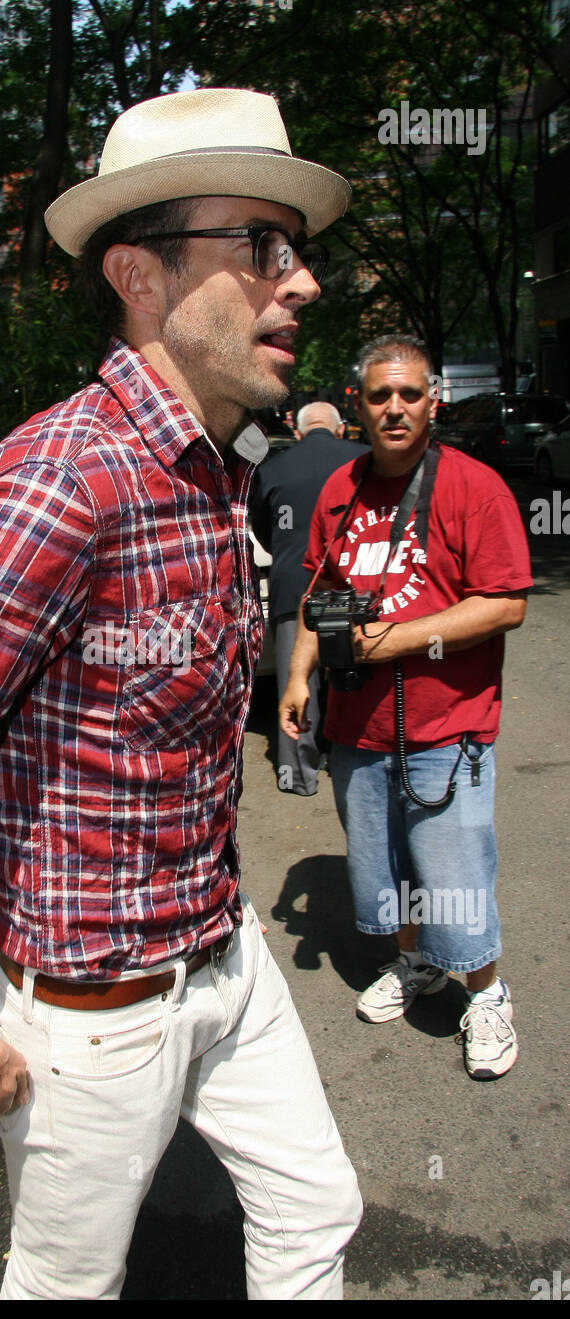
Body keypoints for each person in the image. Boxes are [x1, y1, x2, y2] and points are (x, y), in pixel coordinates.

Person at [0, 87, 362, 1299]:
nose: (299, 282)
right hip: (93, 1018)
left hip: (222, 958)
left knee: (318, 1209)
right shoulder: (64, 485)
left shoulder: (213, 470)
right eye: (259, 247)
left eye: (297, 250)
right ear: (138, 273)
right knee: (64, 1288)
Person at [281, 334, 531, 1080]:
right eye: (380, 395)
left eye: (410, 394)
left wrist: (393, 639)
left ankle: (486, 994)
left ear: (434, 401)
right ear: (357, 403)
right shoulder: (340, 490)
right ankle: (417, 963)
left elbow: (506, 604)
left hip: (444, 725)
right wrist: (299, 677)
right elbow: (317, 597)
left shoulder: (474, 487)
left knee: (450, 871)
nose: (395, 408)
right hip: (359, 727)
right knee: (385, 866)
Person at [251, 401, 368, 794]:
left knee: (296, 682)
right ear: (339, 430)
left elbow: (263, 527)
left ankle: (298, 774)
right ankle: (355, 762)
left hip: (293, 585)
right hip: (355, 586)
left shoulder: (272, 468)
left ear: (298, 432)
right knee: (356, 674)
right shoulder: (365, 459)